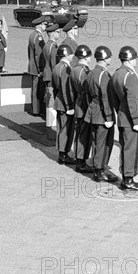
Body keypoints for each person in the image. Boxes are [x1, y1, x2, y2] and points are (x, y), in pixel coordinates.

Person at [109, 46, 138, 191]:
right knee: (133, 149)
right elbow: (133, 99)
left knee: (126, 148)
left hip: (123, 116)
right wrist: (137, 120)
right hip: (132, 119)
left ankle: (127, 177)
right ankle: (129, 179)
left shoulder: (117, 74)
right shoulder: (130, 75)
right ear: (131, 59)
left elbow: (113, 98)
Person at [84, 46, 118, 183]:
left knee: (96, 142)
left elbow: (87, 93)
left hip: (93, 110)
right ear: (105, 58)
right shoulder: (103, 75)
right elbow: (105, 97)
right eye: (109, 56)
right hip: (103, 114)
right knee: (104, 143)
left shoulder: (91, 73)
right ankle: (100, 171)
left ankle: (98, 168)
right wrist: (109, 116)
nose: (110, 58)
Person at [52, 44, 76, 165]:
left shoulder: (57, 67)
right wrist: (69, 106)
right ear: (66, 55)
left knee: (61, 128)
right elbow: (66, 89)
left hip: (59, 101)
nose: (72, 56)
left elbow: (55, 87)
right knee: (66, 130)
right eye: (71, 54)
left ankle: (63, 153)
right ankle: (63, 154)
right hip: (65, 104)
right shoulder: (65, 69)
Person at [70, 45, 93, 173]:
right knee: (84, 135)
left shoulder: (74, 69)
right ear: (86, 57)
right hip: (84, 105)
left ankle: (80, 159)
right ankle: (81, 161)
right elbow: (86, 90)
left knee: (79, 133)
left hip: (77, 104)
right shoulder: (84, 71)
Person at [42, 22, 61, 128]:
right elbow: (54, 64)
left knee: (49, 97)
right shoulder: (53, 47)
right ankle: (51, 122)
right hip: (51, 76)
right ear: (53, 33)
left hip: (47, 74)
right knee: (51, 99)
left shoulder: (47, 45)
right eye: (58, 32)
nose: (58, 34)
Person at [28, 17, 48, 116]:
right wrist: (40, 69)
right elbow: (39, 55)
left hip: (32, 66)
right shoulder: (38, 37)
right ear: (40, 25)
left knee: (35, 89)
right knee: (37, 90)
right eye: (44, 24)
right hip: (37, 68)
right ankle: (36, 110)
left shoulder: (32, 35)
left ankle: (35, 109)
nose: (45, 26)